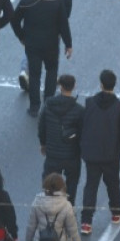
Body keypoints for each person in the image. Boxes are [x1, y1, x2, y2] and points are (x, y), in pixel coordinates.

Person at [11, 0, 73, 116]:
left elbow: (14, 19)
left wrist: (21, 36)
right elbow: (64, 25)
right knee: (51, 72)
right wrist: (68, 44)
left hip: (32, 44)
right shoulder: (57, 1)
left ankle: (34, 106)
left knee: (34, 74)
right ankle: (48, 104)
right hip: (51, 44)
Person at [80, 70, 120, 233]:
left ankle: (86, 222)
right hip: (111, 155)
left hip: (92, 154)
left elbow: (83, 126)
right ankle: (116, 213)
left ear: (101, 84)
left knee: (91, 186)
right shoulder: (119, 107)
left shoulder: (89, 103)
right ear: (114, 85)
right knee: (113, 184)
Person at [37, 74, 85, 204]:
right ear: (74, 86)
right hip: (72, 155)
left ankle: (51, 206)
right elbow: (83, 133)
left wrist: (43, 144)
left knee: (50, 183)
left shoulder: (48, 105)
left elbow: (42, 127)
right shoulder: (79, 110)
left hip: (53, 153)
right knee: (72, 183)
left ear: (60, 86)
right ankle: (68, 206)